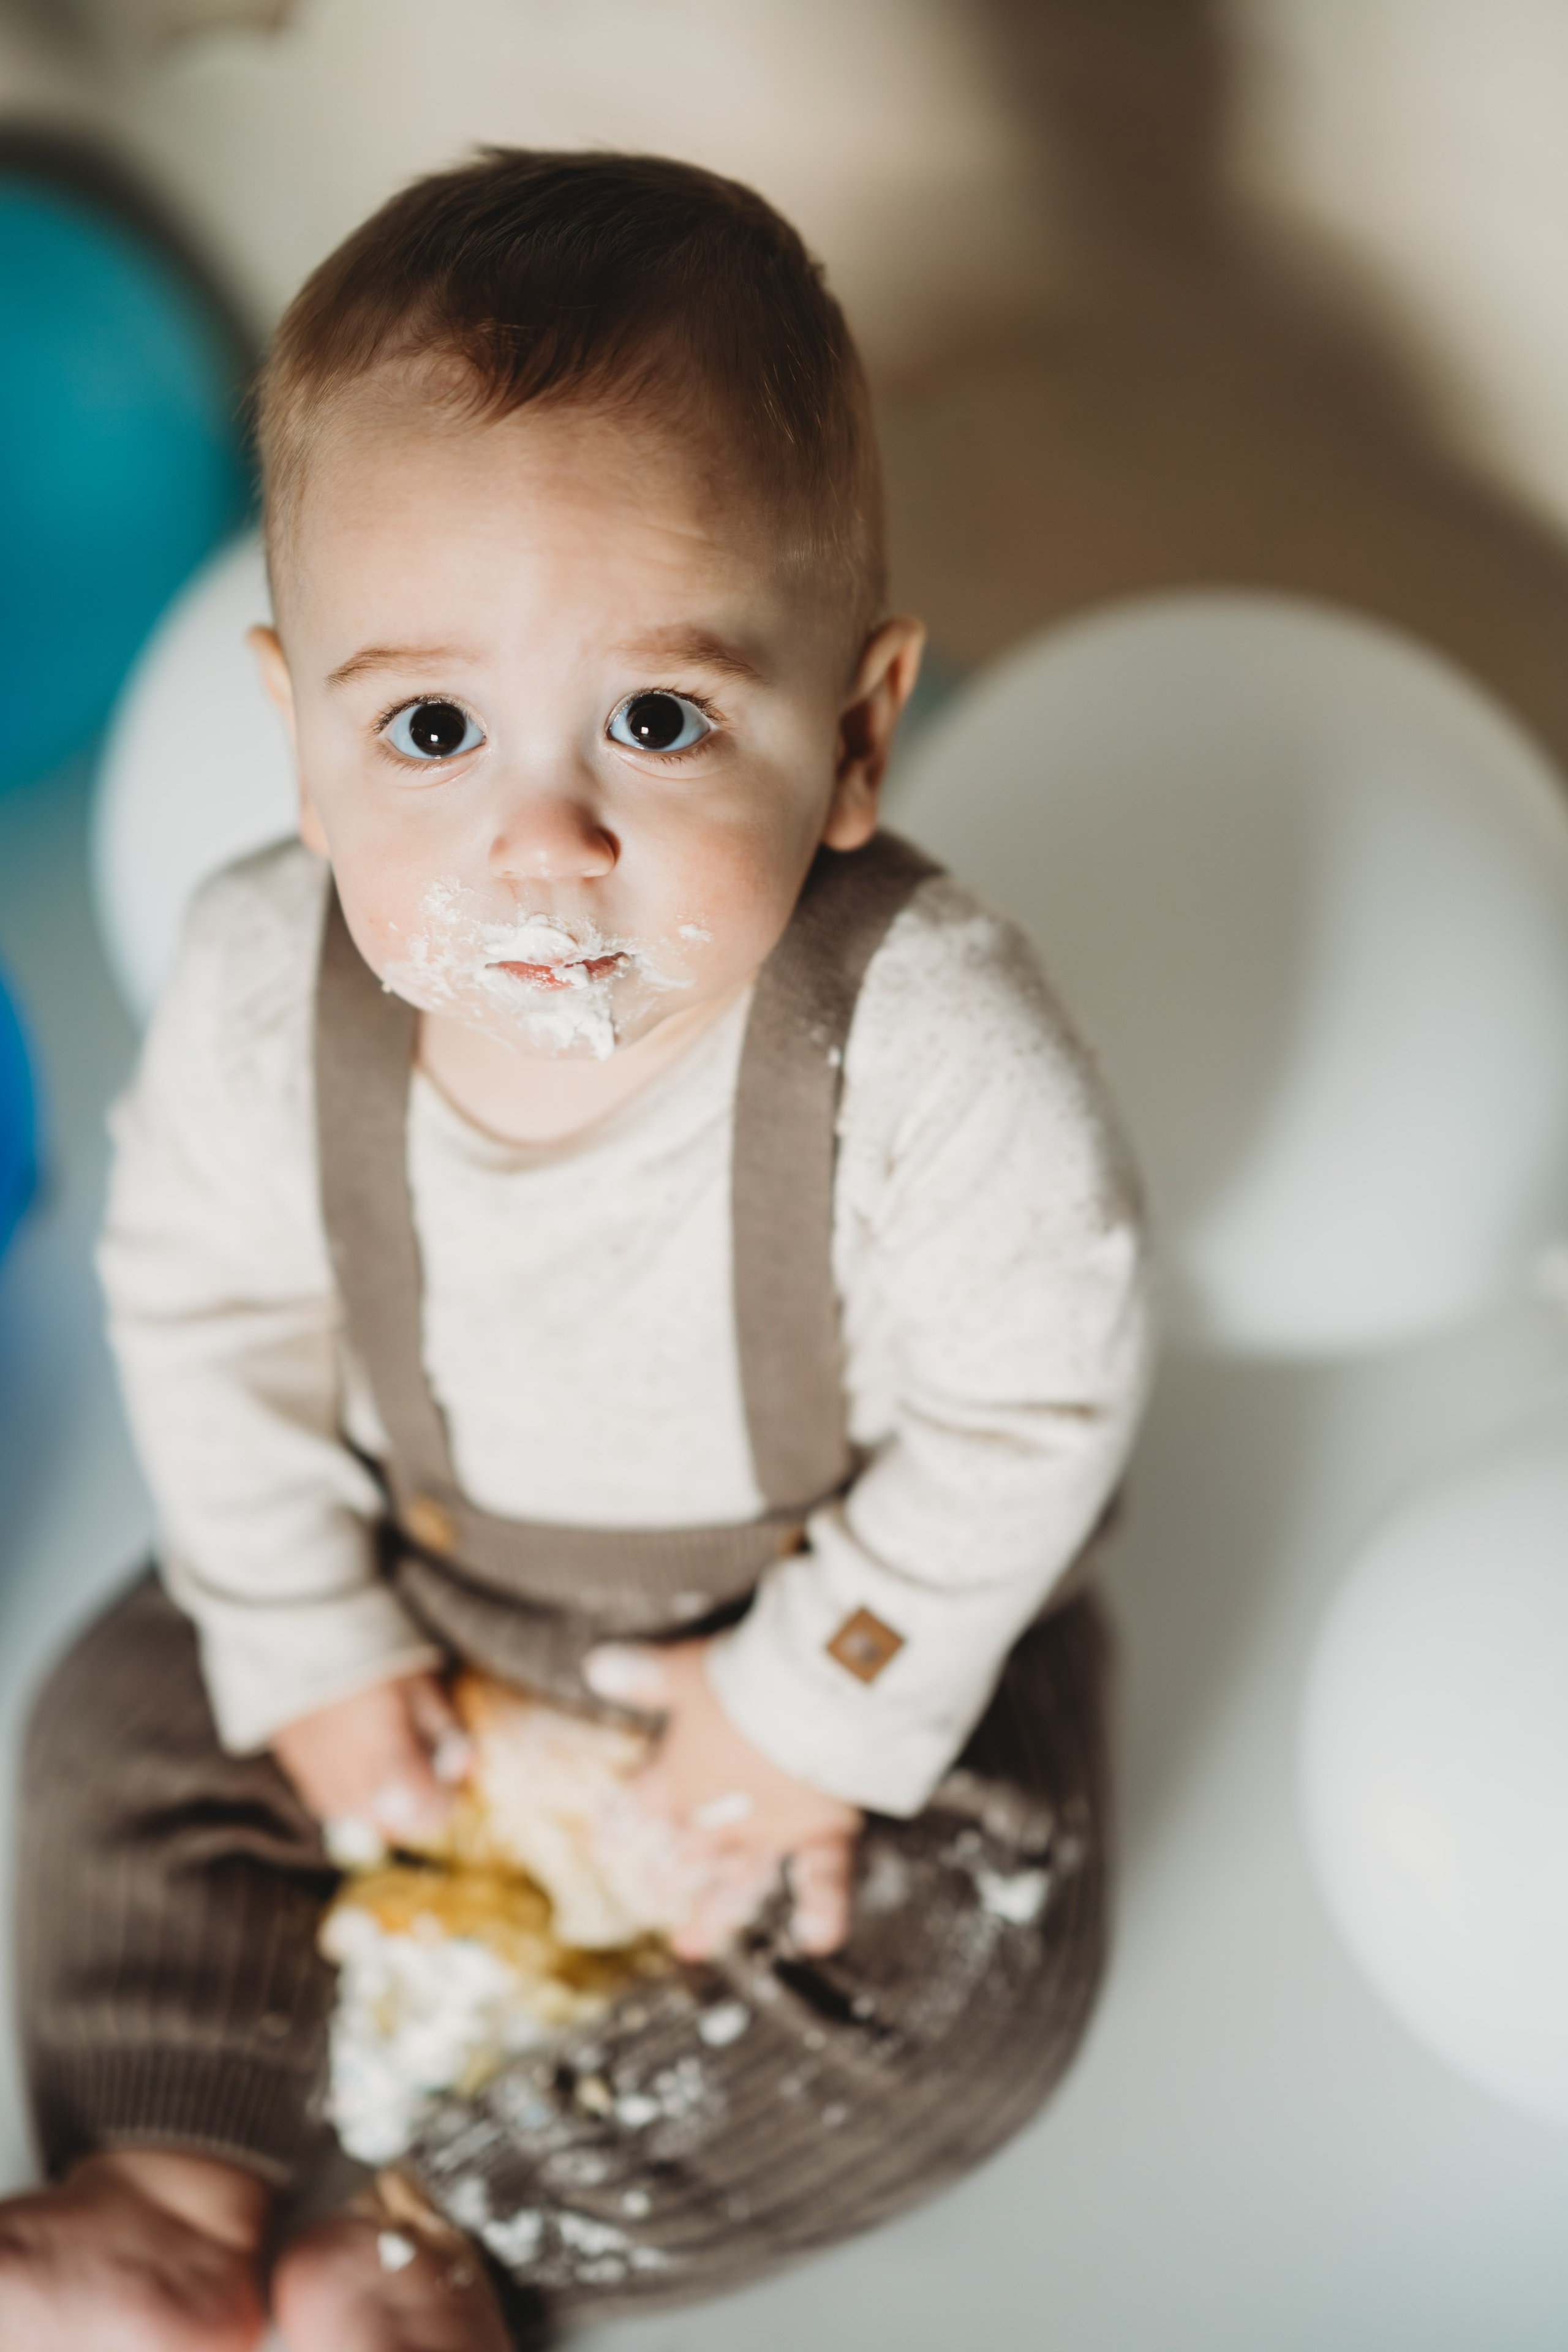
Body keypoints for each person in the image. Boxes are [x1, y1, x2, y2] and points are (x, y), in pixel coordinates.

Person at [0, 151, 1151, 2350]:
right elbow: (207, 1311)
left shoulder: (924, 1044)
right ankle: (169, 2169)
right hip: (434, 1579)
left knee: (984, 1967)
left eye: (662, 718)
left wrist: (814, 1710)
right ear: (308, 750)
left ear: (861, 737)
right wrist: (308, 1647)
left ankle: (452, 2226)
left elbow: (1043, 1396)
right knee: (115, 1726)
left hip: (829, 1601)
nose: (542, 832)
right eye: (430, 729)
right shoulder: (267, 985)